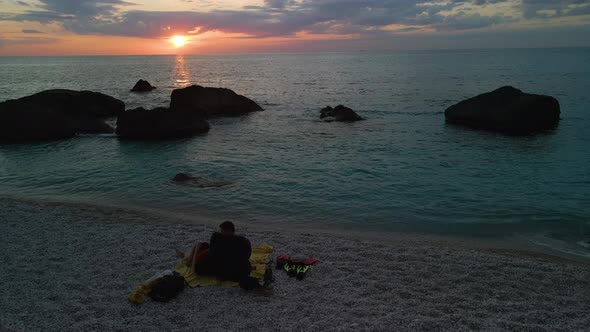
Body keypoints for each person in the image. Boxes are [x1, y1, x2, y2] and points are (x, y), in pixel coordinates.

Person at [177, 221, 252, 282]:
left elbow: (212, 254)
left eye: (222, 231)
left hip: (214, 263)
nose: (221, 232)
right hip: (224, 265)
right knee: (202, 247)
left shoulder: (218, 238)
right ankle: (186, 256)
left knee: (199, 247)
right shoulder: (242, 241)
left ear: (227, 231)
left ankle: (188, 259)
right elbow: (247, 255)